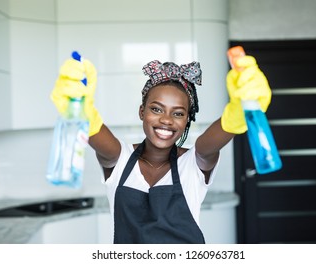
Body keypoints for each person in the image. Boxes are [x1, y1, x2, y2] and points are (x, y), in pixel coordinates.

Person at [51, 53, 271, 244]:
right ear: (141, 112)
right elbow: (98, 135)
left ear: (186, 121)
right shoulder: (120, 159)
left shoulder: (192, 164)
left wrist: (236, 114)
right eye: (156, 109)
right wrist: (79, 109)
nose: (166, 120)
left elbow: (206, 147)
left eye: (178, 113)